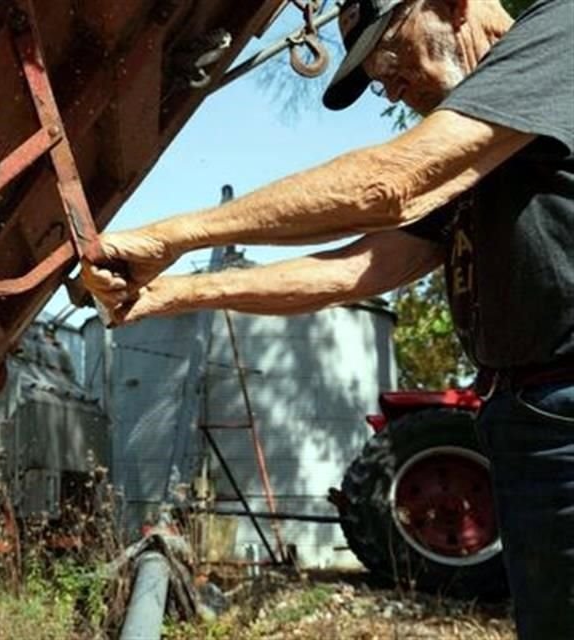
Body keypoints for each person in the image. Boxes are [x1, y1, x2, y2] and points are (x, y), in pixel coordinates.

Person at [81, 0, 573, 636]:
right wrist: (166, 296)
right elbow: (362, 266)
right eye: (373, 75)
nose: (385, 84)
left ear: (448, 5)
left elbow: (390, 184)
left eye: (388, 55)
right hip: (523, 420)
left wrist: (179, 232)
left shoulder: (557, 34)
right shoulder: (484, 149)